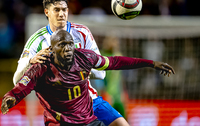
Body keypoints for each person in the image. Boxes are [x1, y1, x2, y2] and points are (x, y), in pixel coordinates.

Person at [1, 30, 175, 126]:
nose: (68, 48)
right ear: (51, 50)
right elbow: (22, 86)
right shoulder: (41, 67)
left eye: (70, 44)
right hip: (60, 123)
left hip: (87, 120)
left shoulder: (85, 57)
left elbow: (115, 62)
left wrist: (151, 63)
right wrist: (11, 97)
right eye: (62, 45)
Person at [12, 0, 129, 126]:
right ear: (46, 12)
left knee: (121, 124)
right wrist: (30, 61)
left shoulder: (82, 33)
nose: (61, 14)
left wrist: (80, 69)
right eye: (56, 10)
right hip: (60, 110)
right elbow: (17, 80)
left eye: (64, 9)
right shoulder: (37, 41)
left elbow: (101, 73)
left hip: (90, 100)